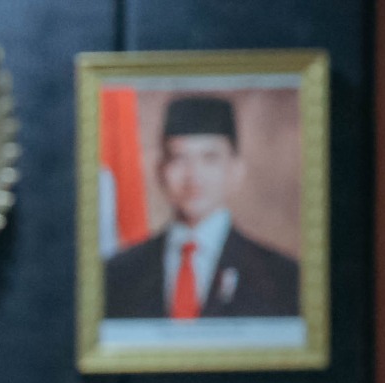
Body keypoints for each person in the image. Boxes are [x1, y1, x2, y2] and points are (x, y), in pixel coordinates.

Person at [102, 94, 300, 320]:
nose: (193, 176)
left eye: (209, 158)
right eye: (179, 158)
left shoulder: (282, 277)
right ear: (160, 170)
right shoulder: (117, 274)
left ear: (235, 170)